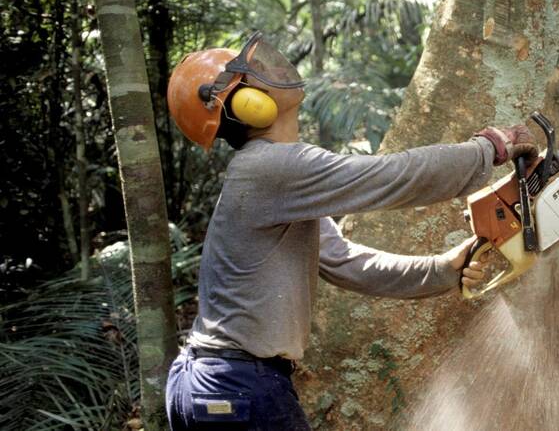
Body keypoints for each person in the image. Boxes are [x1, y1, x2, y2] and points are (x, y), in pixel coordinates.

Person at [165, 31, 537, 430]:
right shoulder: (269, 168)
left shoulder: (279, 182)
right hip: (239, 385)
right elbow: (392, 177)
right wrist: (489, 147)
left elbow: (346, 262)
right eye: (254, 73)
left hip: (208, 384)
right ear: (246, 105)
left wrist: (441, 270)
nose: (270, 69)